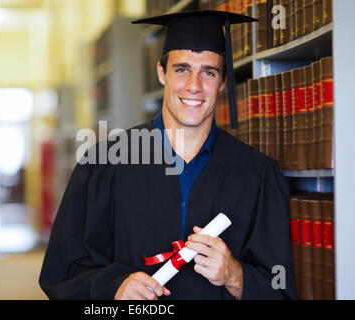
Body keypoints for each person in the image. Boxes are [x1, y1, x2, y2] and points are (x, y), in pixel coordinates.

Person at [39, 10, 297, 300]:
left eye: (208, 72)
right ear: (161, 72)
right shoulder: (104, 164)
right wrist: (113, 288)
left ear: (223, 81)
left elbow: (281, 289)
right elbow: (61, 274)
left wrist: (235, 276)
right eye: (182, 69)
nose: (194, 86)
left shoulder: (257, 174)